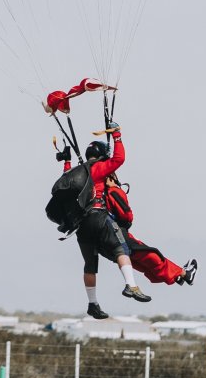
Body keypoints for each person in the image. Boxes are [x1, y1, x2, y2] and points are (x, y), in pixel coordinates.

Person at [67, 127, 150, 319]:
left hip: (81, 225)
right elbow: (119, 159)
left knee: (89, 265)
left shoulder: (75, 172)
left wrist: (67, 161)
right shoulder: (97, 169)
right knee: (121, 249)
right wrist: (118, 136)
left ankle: (92, 304)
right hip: (99, 217)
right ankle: (131, 285)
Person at [104, 175, 197, 288]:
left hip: (106, 244)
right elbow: (127, 216)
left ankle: (176, 276)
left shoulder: (95, 195)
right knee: (151, 256)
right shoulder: (113, 192)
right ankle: (184, 274)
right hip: (120, 236)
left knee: (142, 265)